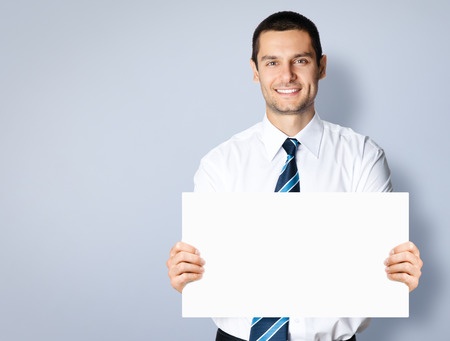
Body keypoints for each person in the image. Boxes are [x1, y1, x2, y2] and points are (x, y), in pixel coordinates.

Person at [166, 11, 423, 341]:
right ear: (255, 71)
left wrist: (397, 275)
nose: (286, 75)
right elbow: (204, 270)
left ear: (321, 66)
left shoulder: (362, 156)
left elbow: (380, 265)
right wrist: (186, 276)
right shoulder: (220, 163)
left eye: (300, 60)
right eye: (272, 62)